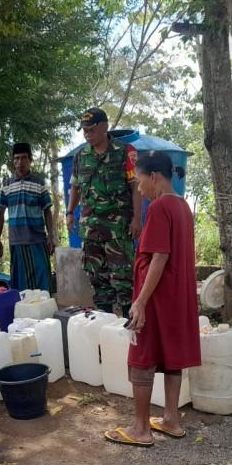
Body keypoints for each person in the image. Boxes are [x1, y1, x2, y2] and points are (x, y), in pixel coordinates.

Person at [104, 153, 200, 447]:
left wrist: (140, 302)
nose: (139, 187)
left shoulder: (159, 207)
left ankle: (140, 429)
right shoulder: (183, 207)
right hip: (177, 297)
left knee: (141, 359)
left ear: (155, 176)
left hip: (156, 297)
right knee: (172, 358)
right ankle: (171, 419)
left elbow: (159, 258)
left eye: (140, 179)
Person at [65, 107, 142, 315]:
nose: (87, 135)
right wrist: (70, 212)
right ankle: (105, 322)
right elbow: (75, 186)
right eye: (85, 131)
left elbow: (136, 186)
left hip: (118, 228)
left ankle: (129, 322)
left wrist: (137, 218)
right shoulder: (81, 156)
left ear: (105, 126)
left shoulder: (125, 151)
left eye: (92, 130)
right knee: (96, 277)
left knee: (123, 278)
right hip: (91, 229)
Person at [0, 142, 55, 291]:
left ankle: (45, 312)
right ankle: (24, 313)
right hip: (16, 241)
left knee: (43, 279)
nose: (20, 162)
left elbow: (47, 211)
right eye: (16, 158)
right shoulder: (6, 185)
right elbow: (0, 214)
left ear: (29, 160)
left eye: (23, 158)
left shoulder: (39, 184)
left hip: (38, 240)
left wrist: (51, 236)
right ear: (13, 161)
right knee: (20, 284)